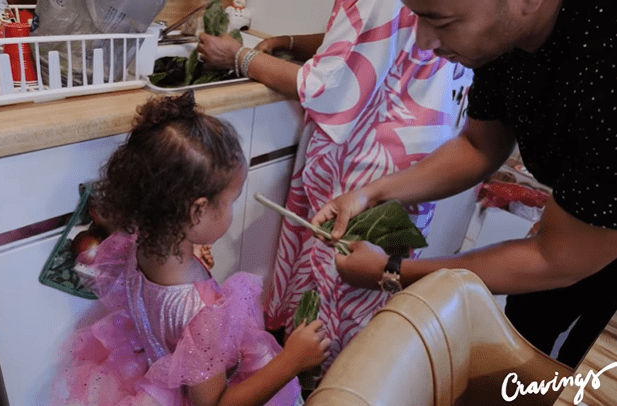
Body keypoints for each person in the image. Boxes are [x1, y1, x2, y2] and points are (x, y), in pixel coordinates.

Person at [311, 0, 617, 368]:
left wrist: (390, 272)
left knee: (573, 364)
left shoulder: (605, 66)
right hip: (587, 223)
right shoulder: (504, 39)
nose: (424, 42)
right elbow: (478, 146)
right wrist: (370, 192)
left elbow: (557, 258)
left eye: (442, 21)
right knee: (526, 320)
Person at [198, 0, 466, 372]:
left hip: (366, 159)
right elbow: (369, 41)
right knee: (365, 293)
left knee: (335, 284)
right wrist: (291, 41)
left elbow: (327, 87)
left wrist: (237, 56)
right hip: (414, 156)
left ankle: (316, 382)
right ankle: (338, 380)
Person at [49, 91, 330, 406]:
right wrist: (290, 360)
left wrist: (192, 253)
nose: (231, 210)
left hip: (155, 374)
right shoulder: (203, 313)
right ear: (196, 212)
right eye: (229, 202)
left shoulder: (139, 243)